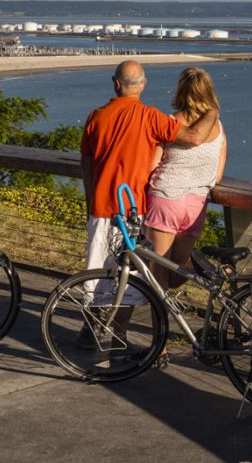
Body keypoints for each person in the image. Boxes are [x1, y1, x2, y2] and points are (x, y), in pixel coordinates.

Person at [77, 60, 219, 348]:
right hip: (135, 208)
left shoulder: (96, 116)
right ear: (143, 84)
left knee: (97, 272)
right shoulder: (150, 118)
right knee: (128, 276)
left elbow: (87, 163)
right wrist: (213, 111)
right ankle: (120, 335)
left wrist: (91, 198)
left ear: (116, 83)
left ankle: (90, 331)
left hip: (102, 205)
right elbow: (192, 137)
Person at [143, 67, 226, 296]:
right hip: (196, 204)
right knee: (180, 264)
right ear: (209, 92)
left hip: (166, 199)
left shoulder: (169, 122)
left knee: (159, 266)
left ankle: (160, 325)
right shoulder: (218, 128)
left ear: (181, 91)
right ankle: (202, 270)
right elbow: (217, 174)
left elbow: (151, 166)